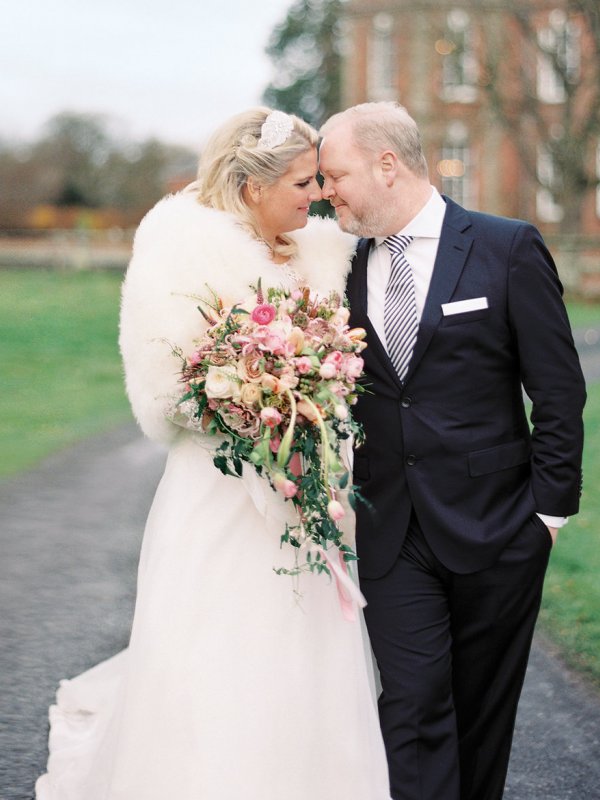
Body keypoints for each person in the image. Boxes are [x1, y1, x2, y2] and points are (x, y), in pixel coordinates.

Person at [35, 108, 391, 800]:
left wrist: (306, 407)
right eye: (301, 180)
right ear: (253, 186)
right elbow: (166, 386)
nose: (315, 193)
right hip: (220, 492)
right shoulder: (181, 248)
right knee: (214, 647)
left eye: (318, 179)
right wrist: (255, 401)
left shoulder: (325, 253)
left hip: (306, 490)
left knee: (305, 648)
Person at [318, 101, 586, 800]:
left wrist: (547, 519)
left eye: (334, 173)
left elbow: (557, 392)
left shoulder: (507, 247)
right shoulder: (340, 267)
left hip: (499, 528)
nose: (326, 190)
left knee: (479, 717)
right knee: (411, 707)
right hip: (391, 530)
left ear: (387, 165)